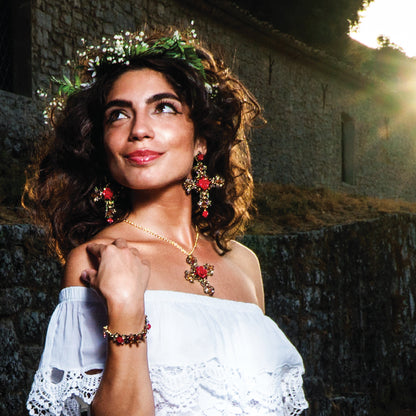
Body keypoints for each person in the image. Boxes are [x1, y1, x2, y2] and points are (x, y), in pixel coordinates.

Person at [26, 27, 308, 415]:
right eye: (119, 114)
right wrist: (126, 311)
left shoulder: (245, 265)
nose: (139, 130)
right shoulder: (94, 259)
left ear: (201, 141)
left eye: (164, 107)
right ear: (104, 145)